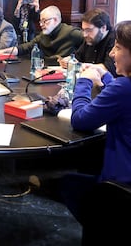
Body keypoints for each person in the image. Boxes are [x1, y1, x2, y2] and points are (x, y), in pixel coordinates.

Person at [60, 20, 131, 230]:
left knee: (67, 184)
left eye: (117, 48)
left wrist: (84, 81)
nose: (111, 54)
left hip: (120, 187)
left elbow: (80, 120)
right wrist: (107, 77)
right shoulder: (123, 87)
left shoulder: (123, 88)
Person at [0, 5, 83, 66]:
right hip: (46, 71)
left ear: (55, 20)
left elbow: (89, 46)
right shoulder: (44, 34)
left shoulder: (71, 32)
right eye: (40, 21)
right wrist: (3, 52)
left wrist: (74, 59)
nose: (41, 24)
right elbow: (25, 48)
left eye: (44, 21)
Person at [57, 8, 117, 76]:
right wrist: (68, 61)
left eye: (89, 30)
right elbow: (77, 58)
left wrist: (80, 65)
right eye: (83, 30)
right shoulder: (90, 39)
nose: (84, 34)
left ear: (103, 28)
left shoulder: (115, 40)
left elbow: (108, 68)